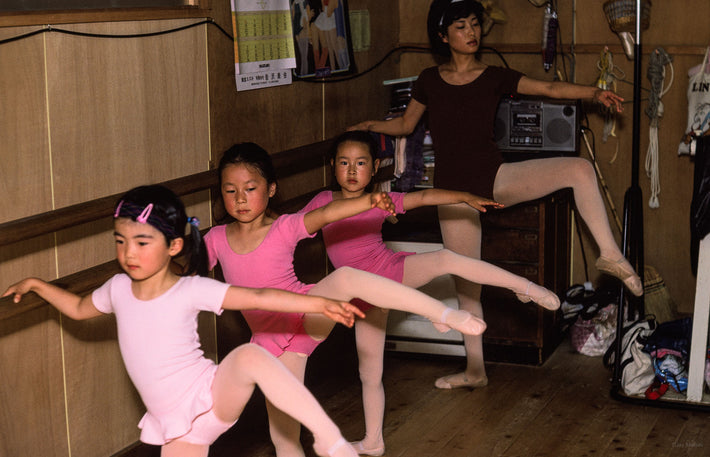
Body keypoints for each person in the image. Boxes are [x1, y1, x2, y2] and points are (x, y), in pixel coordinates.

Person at [348, 0, 642, 392]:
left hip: (494, 176)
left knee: (579, 168)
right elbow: (404, 125)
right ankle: (475, 370)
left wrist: (594, 92)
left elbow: (550, 88)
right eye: (461, 27)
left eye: (474, 24)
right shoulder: (429, 80)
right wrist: (368, 125)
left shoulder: (494, 76)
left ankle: (609, 254)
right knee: (467, 287)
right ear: (443, 36)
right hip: (452, 193)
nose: (471, 33)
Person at [1, 185, 364, 457]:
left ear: (174, 246)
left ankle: (330, 440)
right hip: (176, 427)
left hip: (210, 397)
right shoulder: (116, 288)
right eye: (120, 241)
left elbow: (257, 296)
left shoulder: (189, 289)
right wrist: (38, 284)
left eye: (142, 242)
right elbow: (80, 308)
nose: (129, 253)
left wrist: (318, 302)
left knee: (250, 357)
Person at [204, 142, 487, 457]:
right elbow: (186, 266)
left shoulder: (284, 227)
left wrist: (369, 201)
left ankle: (445, 314)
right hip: (270, 342)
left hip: (307, 314)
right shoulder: (214, 239)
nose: (240, 198)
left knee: (346, 277)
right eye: (230, 191)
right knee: (283, 434)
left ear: (271, 189)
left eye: (250, 188)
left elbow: (327, 212)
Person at [300, 130, 561, 456]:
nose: (352, 171)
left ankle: (526, 288)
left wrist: (463, 196)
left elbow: (422, 198)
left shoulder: (381, 199)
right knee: (369, 373)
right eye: (344, 162)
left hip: (391, 272)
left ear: (376, 166)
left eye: (361, 162)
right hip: (361, 298)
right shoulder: (322, 203)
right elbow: (287, 230)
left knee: (447, 258)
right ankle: (373, 441)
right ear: (332, 166)